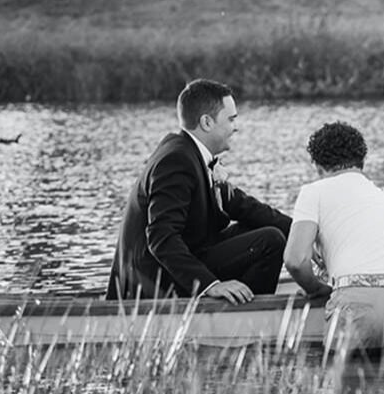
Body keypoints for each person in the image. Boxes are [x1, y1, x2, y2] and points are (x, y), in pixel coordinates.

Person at [106, 79, 292, 302]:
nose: (236, 127)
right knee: (269, 241)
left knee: (267, 228)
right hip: (151, 286)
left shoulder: (192, 153)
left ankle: (241, 306)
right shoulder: (176, 160)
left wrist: (304, 234)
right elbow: (161, 237)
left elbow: (242, 205)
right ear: (207, 122)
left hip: (185, 260)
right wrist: (210, 285)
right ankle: (244, 320)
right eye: (231, 119)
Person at [283, 122, 384, 354]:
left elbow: (295, 260)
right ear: (362, 160)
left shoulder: (314, 191)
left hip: (358, 295)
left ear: (317, 165)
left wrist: (315, 288)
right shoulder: (381, 196)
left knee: (347, 382)